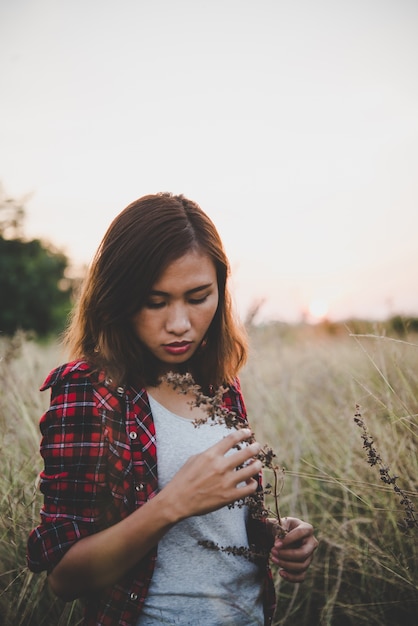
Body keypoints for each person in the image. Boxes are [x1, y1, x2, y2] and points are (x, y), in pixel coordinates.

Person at [27, 192, 318, 626]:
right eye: (155, 302)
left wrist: (275, 537)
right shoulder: (89, 390)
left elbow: (220, 529)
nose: (180, 324)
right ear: (118, 300)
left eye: (198, 297)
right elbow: (66, 578)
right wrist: (172, 504)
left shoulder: (220, 386)